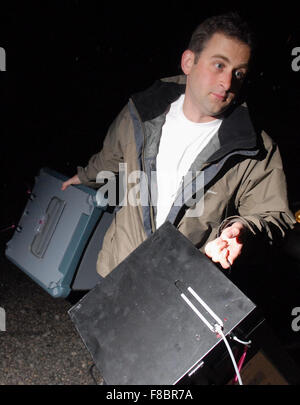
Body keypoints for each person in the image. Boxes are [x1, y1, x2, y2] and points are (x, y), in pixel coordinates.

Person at [62, 12, 295, 278]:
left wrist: (243, 229)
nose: (227, 83)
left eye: (238, 73)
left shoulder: (255, 147)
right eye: (219, 65)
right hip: (118, 269)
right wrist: (84, 175)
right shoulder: (140, 112)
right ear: (189, 61)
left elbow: (273, 215)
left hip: (181, 287)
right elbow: (111, 156)